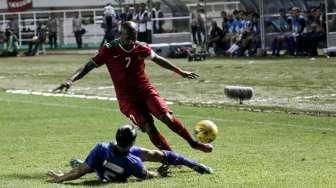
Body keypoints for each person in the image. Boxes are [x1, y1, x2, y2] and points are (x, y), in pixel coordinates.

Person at [53, 21, 213, 153]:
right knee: (149, 127)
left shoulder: (141, 47)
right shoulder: (109, 49)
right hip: (127, 100)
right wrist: (70, 80)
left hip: (146, 91)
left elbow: (158, 59)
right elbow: (87, 66)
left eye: (134, 37)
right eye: (128, 37)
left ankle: (193, 143)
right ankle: (170, 157)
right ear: (121, 34)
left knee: (167, 118)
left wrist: (180, 71)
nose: (131, 41)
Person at [47, 125, 213, 183]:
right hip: (119, 167)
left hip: (103, 168)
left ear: (116, 137)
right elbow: (147, 175)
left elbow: (78, 172)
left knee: (87, 165)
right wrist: (160, 174)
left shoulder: (100, 148)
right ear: (132, 142)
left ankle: (87, 164)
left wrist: (61, 178)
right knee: (157, 155)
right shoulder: (134, 162)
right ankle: (193, 164)